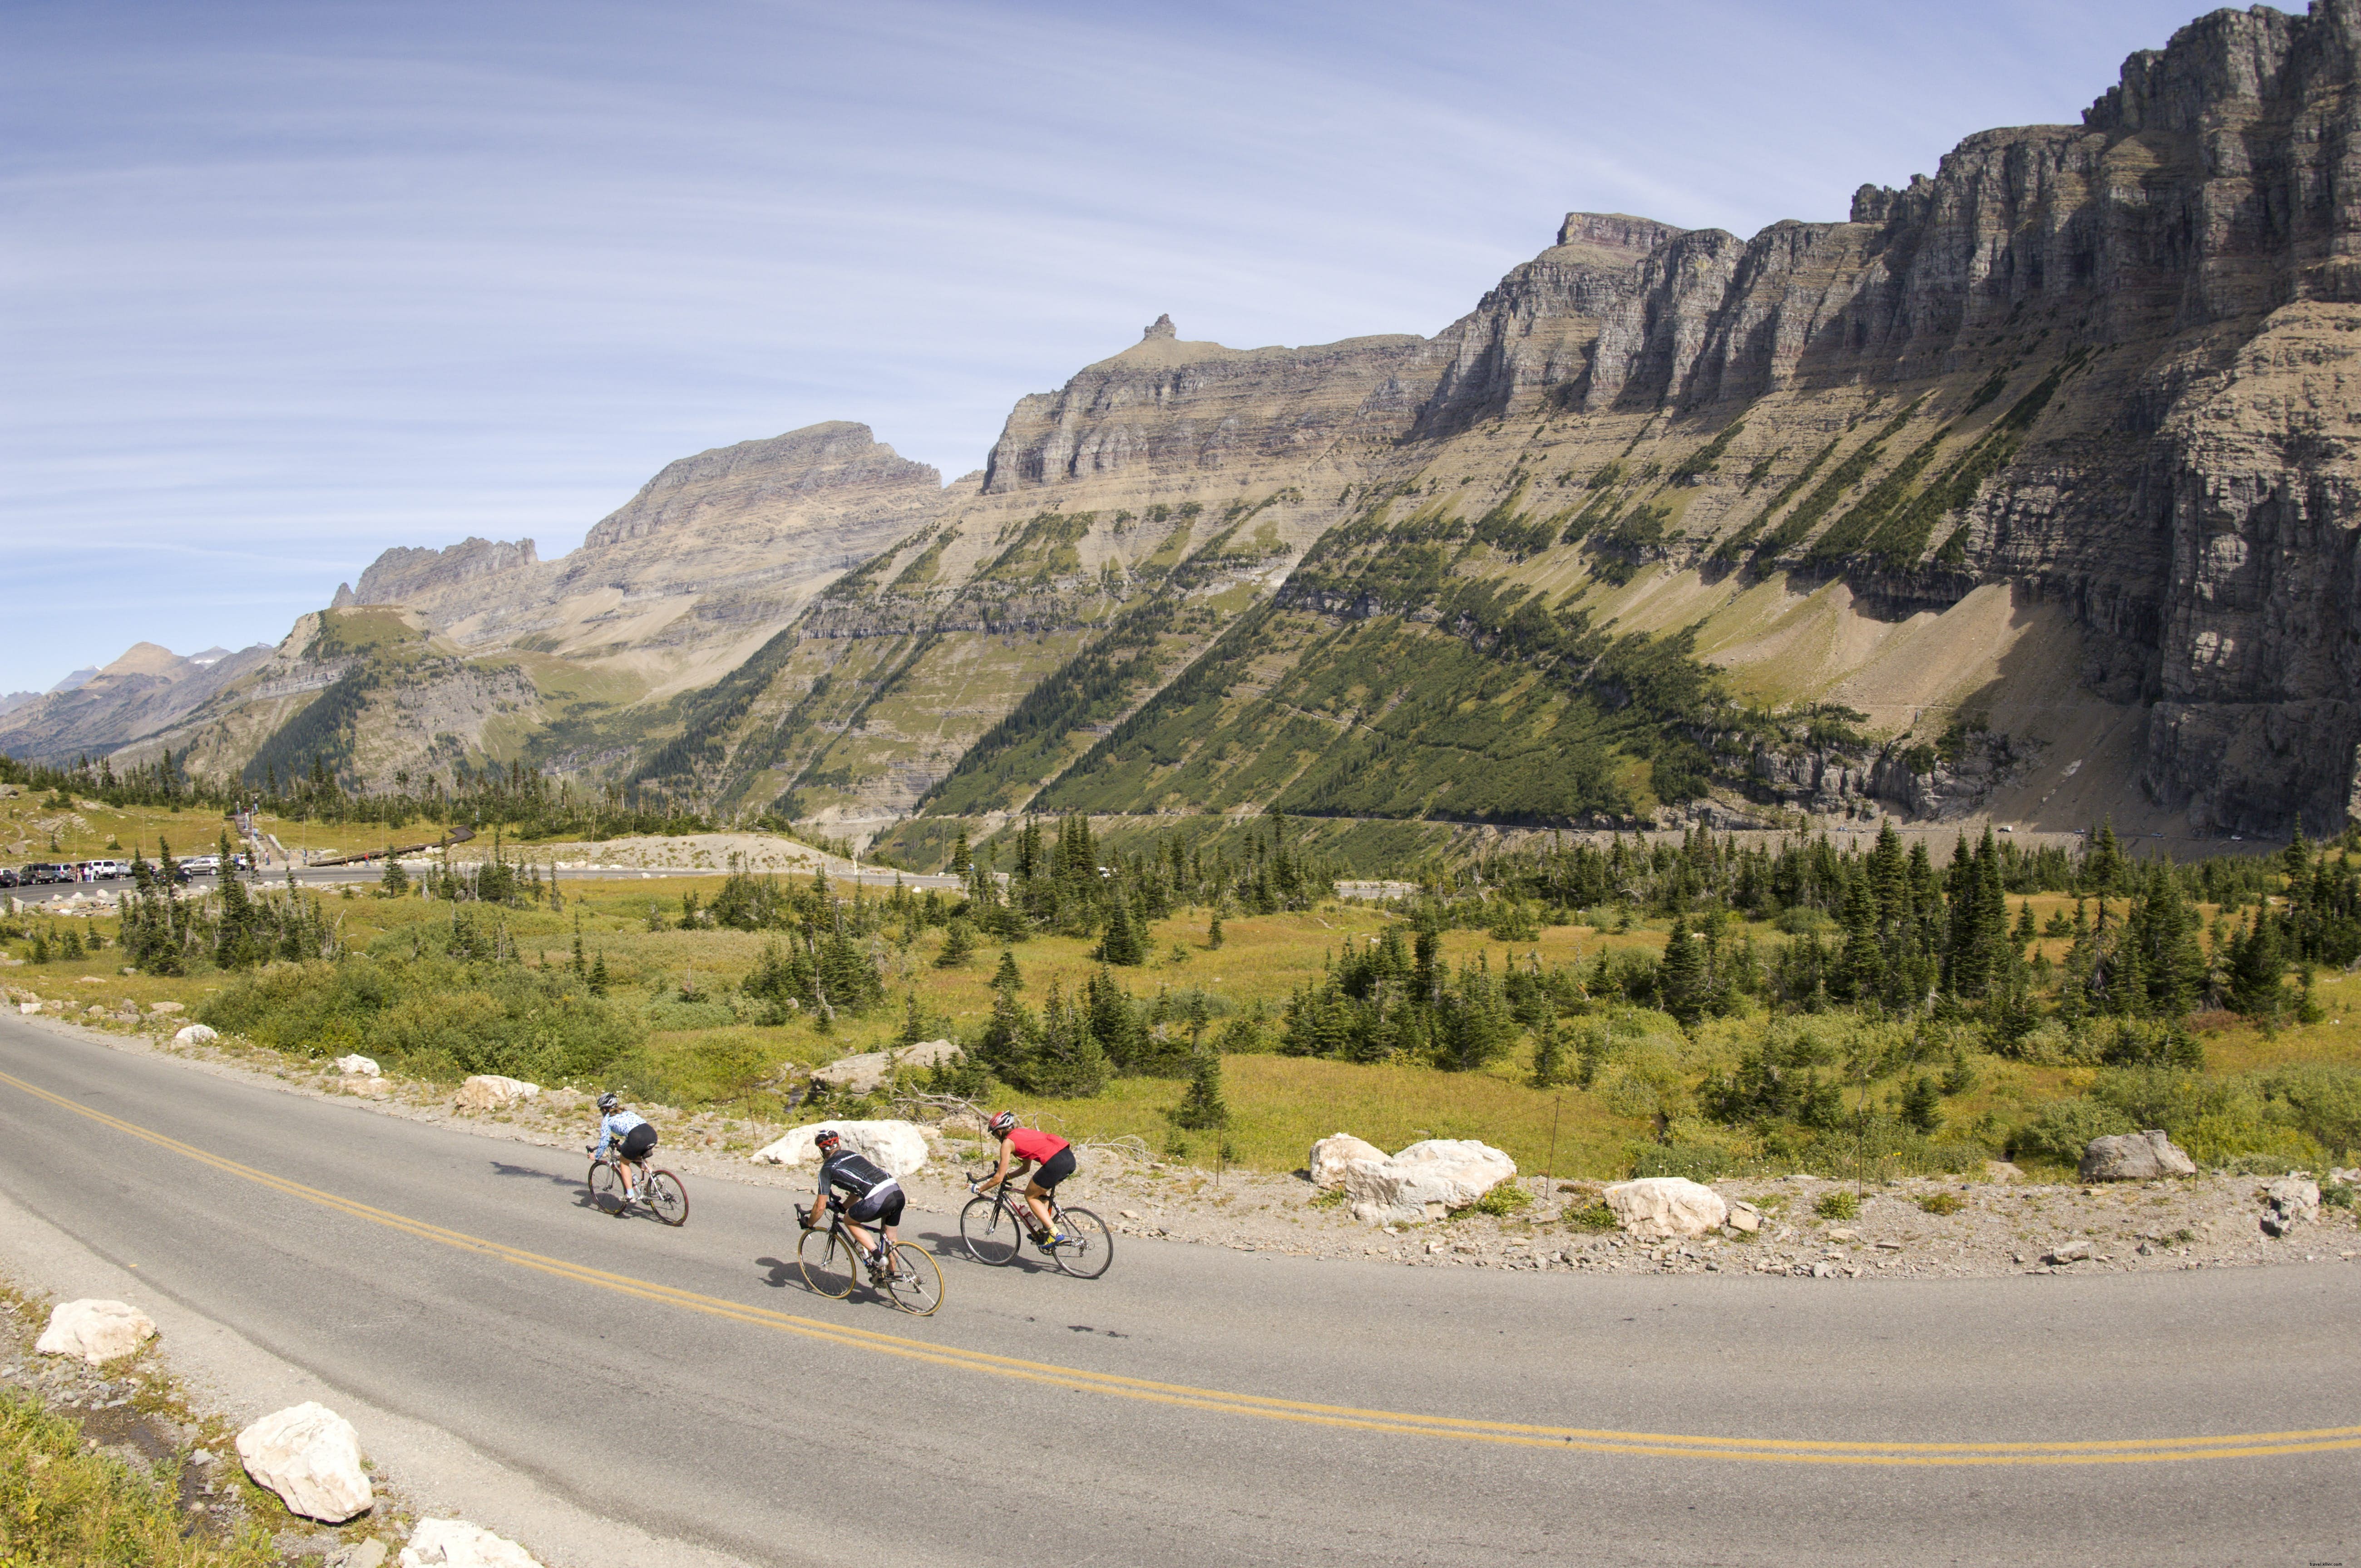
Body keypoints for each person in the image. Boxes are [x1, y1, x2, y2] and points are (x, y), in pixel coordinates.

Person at [802, 1129, 904, 1278]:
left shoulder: (827, 1169)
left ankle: (877, 1255)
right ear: (839, 1144)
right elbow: (857, 1190)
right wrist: (844, 1207)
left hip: (878, 1198)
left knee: (849, 1220)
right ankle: (891, 1277)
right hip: (896, 1191)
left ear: (822, 1150)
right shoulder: (852, 1154)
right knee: (892, 1240)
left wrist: (809, 1223)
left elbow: (820, 1206)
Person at [974, 1110, 1074, 1247]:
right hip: (1068, 1158)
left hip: (1055, 1163)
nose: (996, 1138)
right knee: (1040, 1195)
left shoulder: (1007, 1143)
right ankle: (1044, 1230)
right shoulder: (1021, 1133)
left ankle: (1055, 1233)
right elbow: (1025, 1168)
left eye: (994, 1134)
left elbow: (998, 1178)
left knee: (1030, 1196)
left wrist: (980, 1188)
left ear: (999, 1131)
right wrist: (1008, 1176)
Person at [587, 1091, 657, 1205]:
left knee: (624, 1162)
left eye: (601, 1110)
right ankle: (656, 1179)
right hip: (651, 1134)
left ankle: (630, 1195)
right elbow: (633, 1132)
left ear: (604, 1109)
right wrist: (622, 1147)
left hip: (636, 1138)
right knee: (635, 1156)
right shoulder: (627, 1113)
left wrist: (597, 1155)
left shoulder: (607, 1120)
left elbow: (604, 1142)